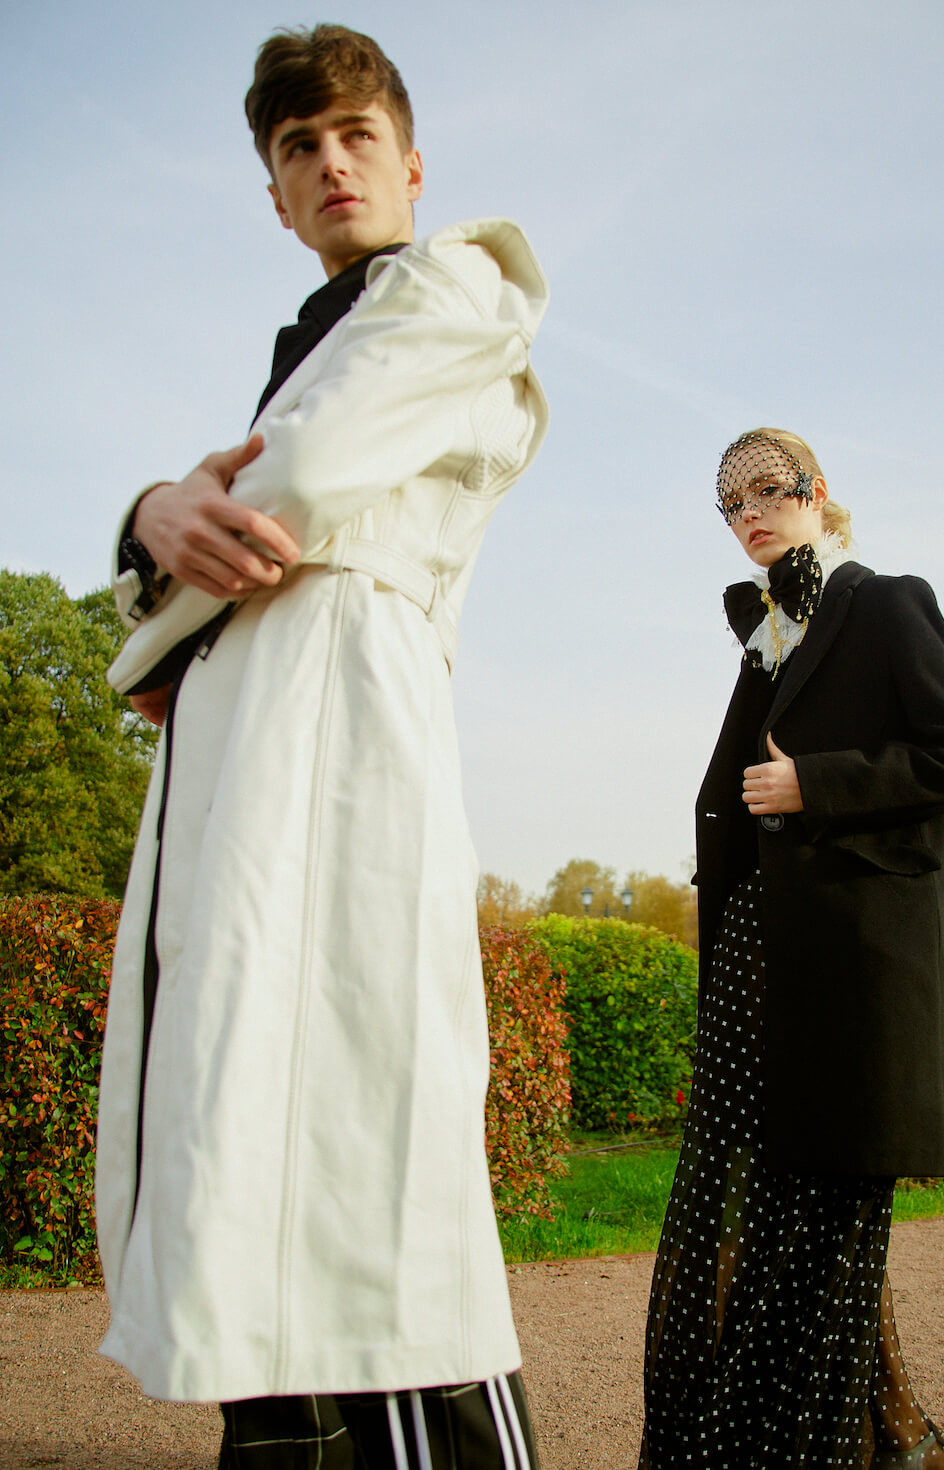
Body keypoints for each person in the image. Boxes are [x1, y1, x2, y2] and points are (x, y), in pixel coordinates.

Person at [94, 24, 548, 1468]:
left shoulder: (452, 287)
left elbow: (287, 494)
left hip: (344, 711)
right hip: (246, 734)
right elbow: (227, 518)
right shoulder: (312, 344)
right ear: (276, 196)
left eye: (357, 135)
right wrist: (160, 511)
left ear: (411, 164)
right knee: (237, 1098)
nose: (332, 162)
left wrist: (159, 546)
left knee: (365, 1132)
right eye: (300, 146)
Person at [639, 429, 944, 1469]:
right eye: (732, 505)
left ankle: (809, 1449)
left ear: (817, 493)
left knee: (822, 1215)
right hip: (755, 957)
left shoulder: (886, 604)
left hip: (848, 972)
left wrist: (818, 783)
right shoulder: (768, 633)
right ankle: (878, 1441)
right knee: (745, 1207)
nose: (750, 514)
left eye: (767, 491)